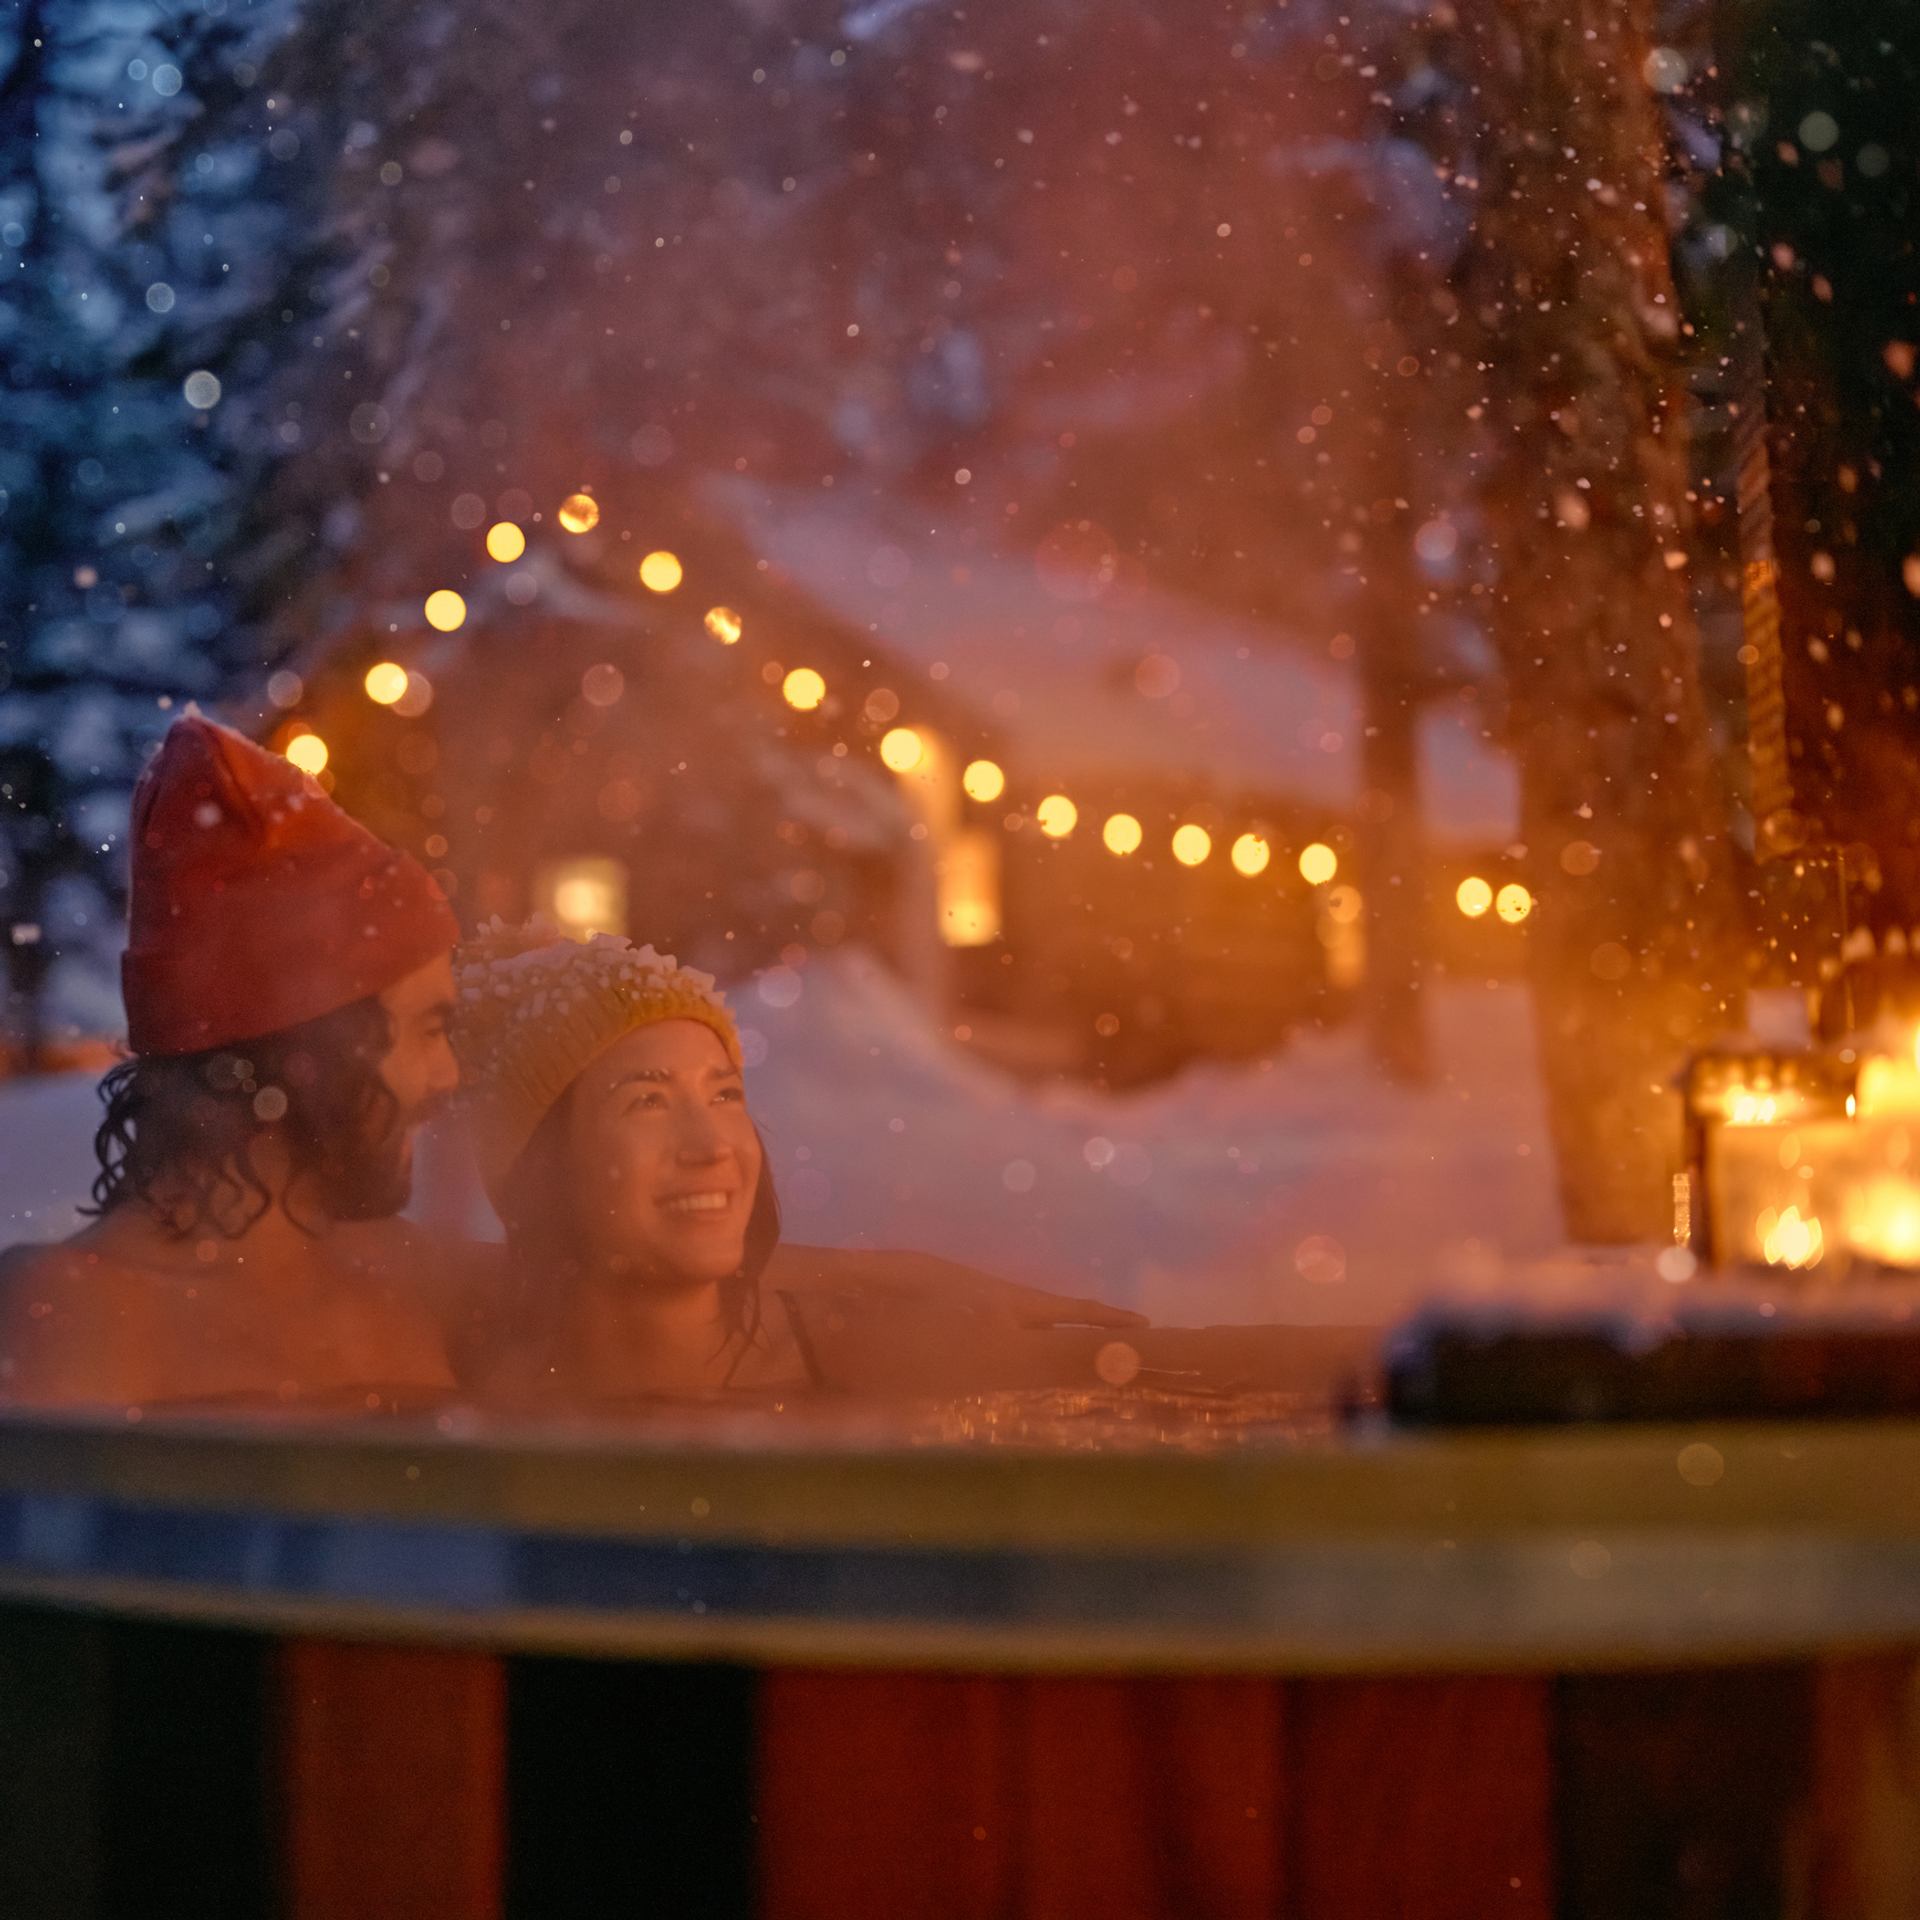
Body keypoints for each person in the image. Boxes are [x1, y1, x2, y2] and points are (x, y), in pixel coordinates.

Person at [452, 920, 1139, 1405]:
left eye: (725, 1095)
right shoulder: (456, 1364)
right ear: (541, 1171)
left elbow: (1186, 1369)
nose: (712, 1144)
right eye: (648, 1103)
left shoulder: (862, 1359)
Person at [0, 716, 464, 1409]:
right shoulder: (82, 1314)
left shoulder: (419, 1285)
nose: (450, 1076)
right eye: (430, 1029)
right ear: (313, 1046)